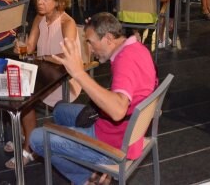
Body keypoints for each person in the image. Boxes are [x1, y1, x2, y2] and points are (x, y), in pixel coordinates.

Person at [29, 12, 158, 185]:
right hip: (126, 130)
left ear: (108, 38)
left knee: (36, 138)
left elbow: (118, 111)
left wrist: (79, 73)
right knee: (60, 110)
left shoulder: (124, 62)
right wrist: (94, 25)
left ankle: (85, 179)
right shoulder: (136, 47)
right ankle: (90, 170)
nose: (89, 49)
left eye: (90, 42)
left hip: (113, 145)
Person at [5, 0, 82, 169]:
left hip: (64, 81)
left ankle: (28, 146)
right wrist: (20, 47)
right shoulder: (40, 18)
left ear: (58, 2)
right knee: (15, 92)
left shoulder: (67, 23)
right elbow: (29, 46)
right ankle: (28, 135)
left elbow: (67, 55)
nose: (39, 1)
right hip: (42, 76)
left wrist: (41, 57)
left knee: (24, 98)